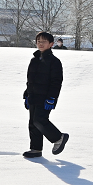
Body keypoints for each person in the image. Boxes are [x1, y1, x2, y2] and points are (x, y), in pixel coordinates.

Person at [22, 31, 69, 159]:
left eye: (43, 41)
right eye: (38, 41)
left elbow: (56, 82)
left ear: (51, 44)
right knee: (32, 122)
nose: (40, 44)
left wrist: (51, 98)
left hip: (45, 98)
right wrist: (26, 95)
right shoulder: (34, 60)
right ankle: (36, 149)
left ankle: (59, 137)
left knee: (40, 120)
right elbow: (29, 80)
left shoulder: (54, 62)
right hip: (33, 96)